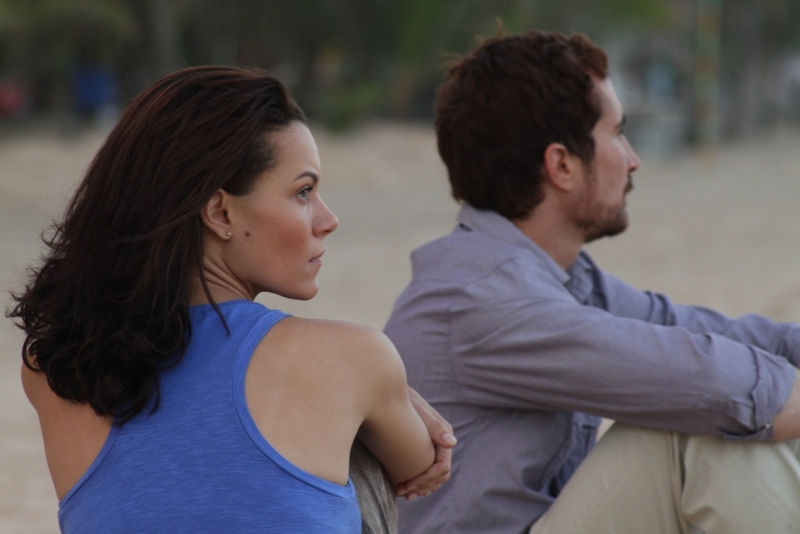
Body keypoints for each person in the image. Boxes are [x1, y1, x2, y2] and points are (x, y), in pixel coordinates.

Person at [383, 30, 800, 534]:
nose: (632, 158)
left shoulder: (562, 278)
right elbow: (700, 380)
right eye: (618, 133)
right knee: (699, 429)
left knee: (735, 406)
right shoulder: (480, 297)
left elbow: (701, 333)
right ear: (562, 164)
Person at [11, 66, 454, 533]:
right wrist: (389, 390)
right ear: (220, 212)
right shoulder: (352, 360)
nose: (328, 220)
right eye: (303, 192)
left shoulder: (53, 369)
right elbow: (422, 463)